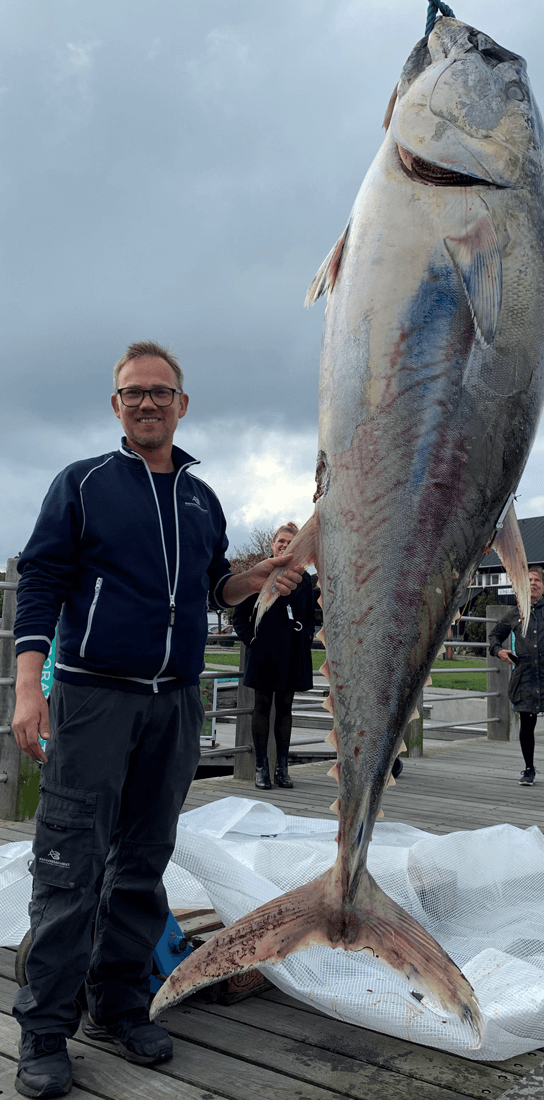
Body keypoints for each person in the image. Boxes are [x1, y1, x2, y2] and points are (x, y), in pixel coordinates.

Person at [10, 341, 302, 1098]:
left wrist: (259, 576)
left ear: (182, 404)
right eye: (133, 392)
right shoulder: (83, 484)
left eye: (161, 392)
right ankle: (44, 1028)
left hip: (174, 702)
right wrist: (27, 688)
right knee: (70, 863)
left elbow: (216, 588)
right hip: (92, 697)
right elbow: (39, 583)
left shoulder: (203, 500)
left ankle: (117, 1003)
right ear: (116, 405)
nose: (147, 402)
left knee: (142, 861)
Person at [233, 523, 314, 791]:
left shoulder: (304, 579)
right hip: (265, 652)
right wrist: (252, 641)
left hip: (292, 653)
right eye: (280, 541)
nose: (284, 545)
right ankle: (260, 767)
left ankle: (282, 767)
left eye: (290, 542)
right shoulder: (261, 575)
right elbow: (239, 616)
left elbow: (310, 616)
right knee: (262, 706)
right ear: (272, 544)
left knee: (286, 709)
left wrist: (304, 639)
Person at [488, 566, 544, 790]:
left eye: (537, 580)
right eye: (528, 580)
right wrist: (499, 651)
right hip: (525, 676)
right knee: (526, 726)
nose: (533, 584)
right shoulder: (514, 612)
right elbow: (494, 637)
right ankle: (529, 769)